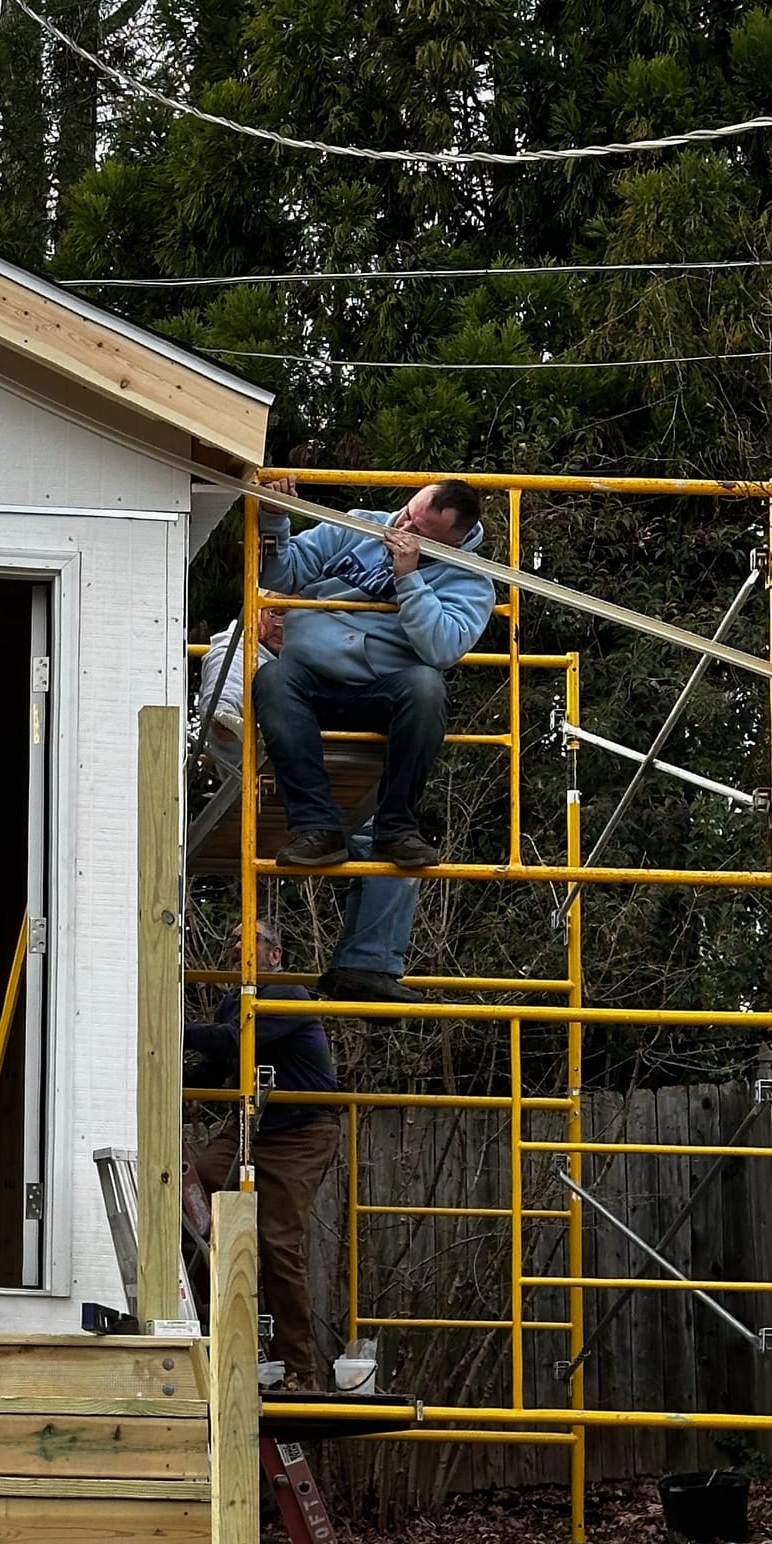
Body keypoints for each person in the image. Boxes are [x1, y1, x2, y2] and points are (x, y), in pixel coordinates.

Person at [251, 485, 495, 951]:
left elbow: (442, 649)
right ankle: (316, 828)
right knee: (274, 679)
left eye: (418, 532)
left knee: (427, 688)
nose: (401, 530)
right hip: (311, 678)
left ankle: (397, 829)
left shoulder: (471, 581)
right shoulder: (361, 523)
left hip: (382, 690)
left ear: (450, 543)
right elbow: (280, 570)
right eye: (405, 514)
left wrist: (409, 578)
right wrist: (275, 519)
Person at [183, 921, 340, 1389]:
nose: (234, 946)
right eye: (231, 939)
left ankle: (301, 1370)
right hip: (252, 1125)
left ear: (274, 954)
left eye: (245, 939)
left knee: (276, 1241)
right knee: (189, 1181)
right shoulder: (234, 1001)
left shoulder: (285, 995)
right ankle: (211, 1314)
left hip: (302, 1131)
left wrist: (168, 1018)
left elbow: (232, 1040)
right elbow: (215, 1065)